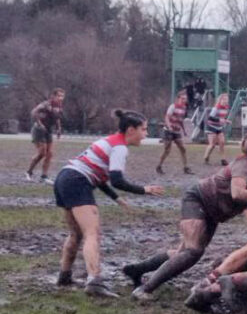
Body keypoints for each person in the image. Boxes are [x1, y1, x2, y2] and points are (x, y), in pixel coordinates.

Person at [123, 132, 247, 300]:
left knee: (183, 252)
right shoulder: (244, 164)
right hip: (197, 200)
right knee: (193, 251)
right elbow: (237, 193)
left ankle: (137, 269)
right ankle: (144, 289)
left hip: (212, 212)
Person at [53, 110, 164, 297]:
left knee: (77, 234)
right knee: (92, 234)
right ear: (131, 129)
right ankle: (94, 281)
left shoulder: (110, 141)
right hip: (76, 181)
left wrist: (116, 198)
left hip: (65, 177)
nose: (146, 134)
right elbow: (117, 180)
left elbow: (97, 173)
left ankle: (64, 275)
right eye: (144, 130)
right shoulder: (120, 147)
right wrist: (144, 189)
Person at [27, 88, 65, 184]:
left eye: (62, 96)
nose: (61, 98)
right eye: (59, 96)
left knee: (49, 154)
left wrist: (58, 128)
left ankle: (44, 176)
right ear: (53, 96)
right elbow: (34, 112)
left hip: (48, 130)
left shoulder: (59, 106)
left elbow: (57, 118)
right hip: (38, 130)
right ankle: (29, 172)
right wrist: (40, 124)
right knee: (42, 153)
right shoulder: (46, 104)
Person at [156, 90, 193, 175]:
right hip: (168, 131)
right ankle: (159, 166)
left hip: (176, 131)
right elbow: (167, 117)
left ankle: (186, 168)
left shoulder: (184, 108)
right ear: (178, 98)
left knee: (183, 149)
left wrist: (184, 131)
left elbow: (180, 120)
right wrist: (169, 126)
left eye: (185, 99)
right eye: (183, 98)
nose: (184, 100)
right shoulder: (173, 106)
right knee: (167, 150)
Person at [203, 93, 230, 166]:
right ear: (220, 100)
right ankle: (206, 157)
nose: (225, 101)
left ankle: (223, 159)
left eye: (227, 99)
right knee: (212, 145)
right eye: (224, 99)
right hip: (211, 127)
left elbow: (222, 118)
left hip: (219, 127)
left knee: (222, 142)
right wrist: (219, 120)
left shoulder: (226, 108)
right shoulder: (216, 108)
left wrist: (225, 120)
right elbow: (210, 117)